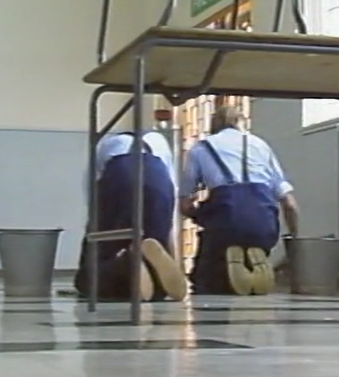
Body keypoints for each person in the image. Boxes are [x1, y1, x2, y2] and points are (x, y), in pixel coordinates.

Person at [179, 106, 299, 296]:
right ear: (240, 123)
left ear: (213, 126)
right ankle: (254, 266)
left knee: (206, 278)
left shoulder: (201, 149)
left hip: (225, 224)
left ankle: (224, 273)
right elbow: (290, 203)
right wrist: (294, 238)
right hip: (264, 225)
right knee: (254, 237)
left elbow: (185, 204)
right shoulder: (260, 145)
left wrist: (197, 216)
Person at [74, 112, 187, 302]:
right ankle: (158, 284)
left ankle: (126, 261)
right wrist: (172, 252)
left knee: (98, 262)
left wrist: (93, 230)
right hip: (158, 181)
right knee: (154, 240)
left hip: (120, 179)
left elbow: (91, 189)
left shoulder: (106, 144)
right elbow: (172, 189)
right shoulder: (160, 141)